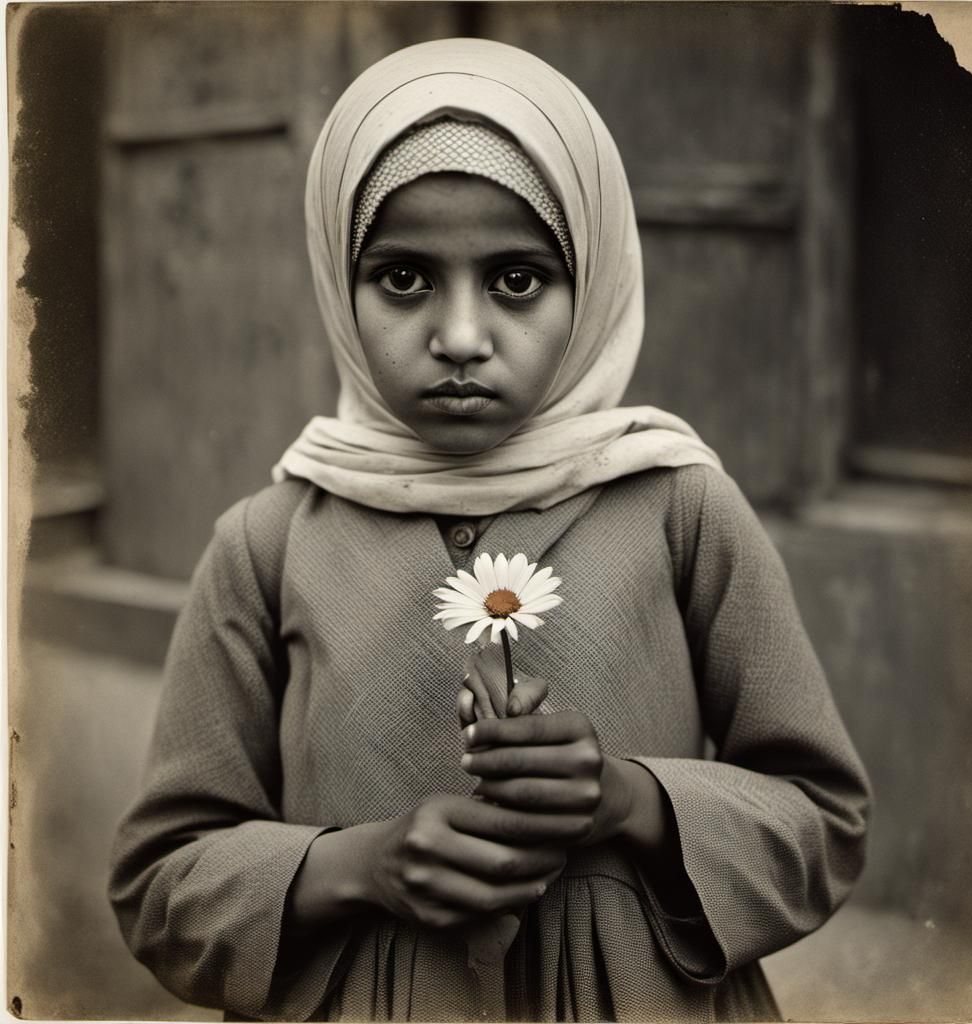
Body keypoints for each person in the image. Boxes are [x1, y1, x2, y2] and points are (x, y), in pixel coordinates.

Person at [108, 37, 871, 1023]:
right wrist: (356, 865)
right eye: (402, 277)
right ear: (338, 285)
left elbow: (823, 823)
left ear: (592, 284)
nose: (460, 337)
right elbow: (160, 885)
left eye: (516, 280)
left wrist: (630, 800)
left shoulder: (682, 507)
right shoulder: (265, 544)